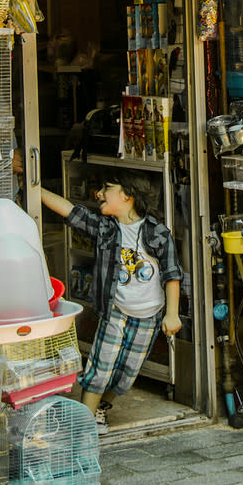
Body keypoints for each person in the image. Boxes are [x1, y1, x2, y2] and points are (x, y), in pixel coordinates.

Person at [40, 171, 183, 433]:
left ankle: (101, 408)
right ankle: (84, 424)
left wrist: (171, 315)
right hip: (116, 311)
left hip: (149, 316)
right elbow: (72, 212)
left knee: (127, 374)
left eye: (107, 188)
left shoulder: (157, 233)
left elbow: (172, 274)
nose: (99, 194)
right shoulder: (106, 229)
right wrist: (35, 186)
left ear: (127, 195)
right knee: (101, 367)